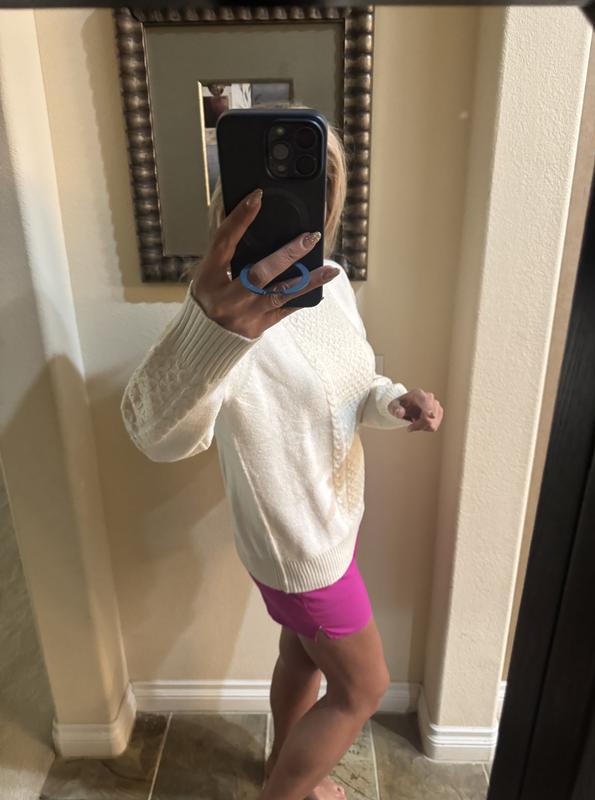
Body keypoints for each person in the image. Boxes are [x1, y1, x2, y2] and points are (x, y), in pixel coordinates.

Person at [120, 119, 444, 800]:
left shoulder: (332, 280)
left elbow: (353, 386)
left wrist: (395, 402)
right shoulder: (227, 313)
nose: (304, 201)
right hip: (300, 550)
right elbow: (155, 434)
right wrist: (209, 329)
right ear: (237, 200)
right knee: (365, 688)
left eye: (318, 181)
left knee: (302, 657)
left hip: (335, 522)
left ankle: (280, 772)